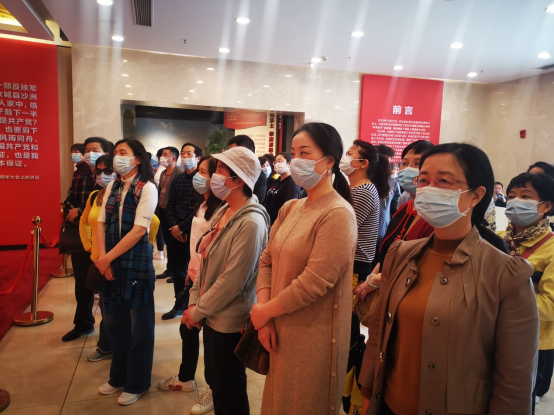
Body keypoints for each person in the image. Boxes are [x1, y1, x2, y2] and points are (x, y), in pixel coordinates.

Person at [358, 142, 538, 415]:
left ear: (476, 195)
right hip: (389, 404)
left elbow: (514, 378)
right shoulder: (400, 254)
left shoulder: (505, 273)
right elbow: (378, 334)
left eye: (443, 181)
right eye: (424, 180)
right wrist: (367, 392)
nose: (429, 189)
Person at [250, 122, 358, 415]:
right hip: (277, 326)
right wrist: (264, 316)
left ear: (329, 161)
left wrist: (265, 312)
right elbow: (266, 260)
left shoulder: (338, 213)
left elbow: (315, 281)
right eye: (294, 153)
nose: (296, 160)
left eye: (305, 153)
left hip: (313, 337)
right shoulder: (291, 208)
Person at [182, 146, 269, 415]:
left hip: (229, 321)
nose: (213, 176)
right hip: (211, 314)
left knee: (229, 388)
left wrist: (198, 310)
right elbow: (205, 259)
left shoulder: (251, 223)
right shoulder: (224, 211)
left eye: (220, 170)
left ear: (238, 179)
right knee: (217, 382)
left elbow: (232, 281)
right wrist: (194, 301)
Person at [158, 155, 223, 415]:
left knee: (212, 338)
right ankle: (185, 378)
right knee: (187, 329)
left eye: (205, 172)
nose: (199, 176)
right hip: (194, 275)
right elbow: (197, 242)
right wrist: (189, 271)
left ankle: (214, 389)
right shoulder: (202, 203)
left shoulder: (222, 210)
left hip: (210, 280)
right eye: (201, 171)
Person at [95, 139, 158, 406]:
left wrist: (108, 257)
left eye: (123, 153)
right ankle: (118, 377)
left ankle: (137, 382)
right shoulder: (114, 185)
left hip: (136, 264)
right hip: (110, 261)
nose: (116, 157)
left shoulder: (148, 188)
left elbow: (139, 230)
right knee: (113, 323)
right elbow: (100, 222)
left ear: (137, 159)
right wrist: (104, 259)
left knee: (139, 326)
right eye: (115, 153)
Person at [339, 139, 391, 412]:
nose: (345, 157)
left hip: (357, 265)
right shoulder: (356, 188)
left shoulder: (362, 191)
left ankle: (347, 384)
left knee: (347, 323)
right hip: (354, 263)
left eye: (350, 154)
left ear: (363, 163)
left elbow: (344, 229)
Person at [498, 172, 554, 410]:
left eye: (525, 196)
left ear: (546, 206)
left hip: (534, 342)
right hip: (496, 334)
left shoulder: (551, 249)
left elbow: (550, 304)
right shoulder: (498, 240)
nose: (515, 201)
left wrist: (502, 304)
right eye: (511, 196)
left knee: (519, 399)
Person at [62, 136, 112, 342]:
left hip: (102, 239)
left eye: (95, 149)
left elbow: (105, 203)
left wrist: (81, 210)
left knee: (104, 287)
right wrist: (72, 211)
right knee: (81, 283)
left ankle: (108, 335)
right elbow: (69, 200)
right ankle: (82, 324)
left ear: (106, 153)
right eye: (88, 150)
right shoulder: (80, 175)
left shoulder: (109, 176)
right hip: (81, 236)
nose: (90, 153)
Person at [79, 155, 116, 362]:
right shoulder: (95, 195)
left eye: (107, 171)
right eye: (98, 171)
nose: (102, 175)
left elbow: (152, 223)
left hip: (117, 260)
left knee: (114, 309)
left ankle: (112, 346)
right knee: (104, 306)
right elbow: (84, 221)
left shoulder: (123, 195)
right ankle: (106, 346)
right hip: (98, 260)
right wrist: (89, 245)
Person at [164, 143, 201, 319]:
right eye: (183, 153)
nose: (185, 157)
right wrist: (174, 227)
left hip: (193, 232)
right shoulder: (177, 179)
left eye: (189, 154)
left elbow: (199, 207)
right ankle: (179, 304)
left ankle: (192, 305)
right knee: (178, 271)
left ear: (198, 158)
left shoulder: (201, 180)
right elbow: (169, 204)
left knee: (194, 271)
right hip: (176, 232)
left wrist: (182, 228)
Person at [154, 147, 183, 275]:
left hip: (174, 213)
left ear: (173, 158)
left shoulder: (179, 172)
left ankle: (176, 270)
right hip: (162, 211)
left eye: (165, 154)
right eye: (162, 155)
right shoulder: (162, 173)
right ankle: (170, 269)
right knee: (167, 241)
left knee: (175, 243)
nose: (162, 157)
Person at [227, 135, 267, 203]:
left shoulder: (259, 176)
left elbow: (256, 203)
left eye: (233, 153)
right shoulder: (233, 171)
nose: (230, 157)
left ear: (247, 153)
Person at [375, 145, 401, 251]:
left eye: (387, 162)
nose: (384, 165)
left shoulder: (393, 183)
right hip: (363, 238)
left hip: (383, 236)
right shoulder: (364, 181)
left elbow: (395, 209)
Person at [263, 152, 299, 225]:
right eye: (275, 162)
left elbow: (288, 206)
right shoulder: (275, 181)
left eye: (280, 161)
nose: (276, 164)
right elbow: (267, 200)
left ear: (289, 164)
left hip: (279, 222)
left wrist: (271, 220)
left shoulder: (292, 183)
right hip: (267, 220)